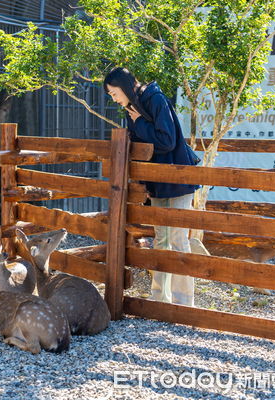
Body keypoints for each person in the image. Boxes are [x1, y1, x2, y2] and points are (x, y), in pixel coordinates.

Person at [103, 67, 200, 307]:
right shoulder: (132, 109)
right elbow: (138, 147)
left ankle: (183, 303)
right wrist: (141, 182)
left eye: (114, 93)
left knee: (177, 239)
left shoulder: (155, 99)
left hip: (177, 177)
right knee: (161, 238)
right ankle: (160, 298)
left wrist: (139, 123)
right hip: (156, 181)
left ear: (125, 87)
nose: (114, 99)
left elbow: (167, 141)